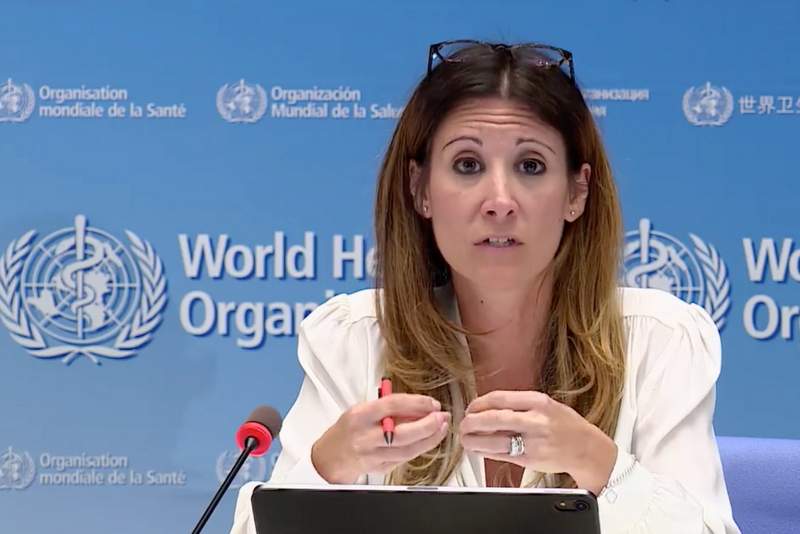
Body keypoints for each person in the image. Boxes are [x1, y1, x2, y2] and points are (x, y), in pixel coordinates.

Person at [230, 40, 740, 534]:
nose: (499, 200)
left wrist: (599, 464)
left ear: (577, 192)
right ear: (420, 189)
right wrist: (327, 466)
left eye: (530, 166)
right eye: (468, 165)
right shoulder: (354, 341)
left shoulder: (659, 341)